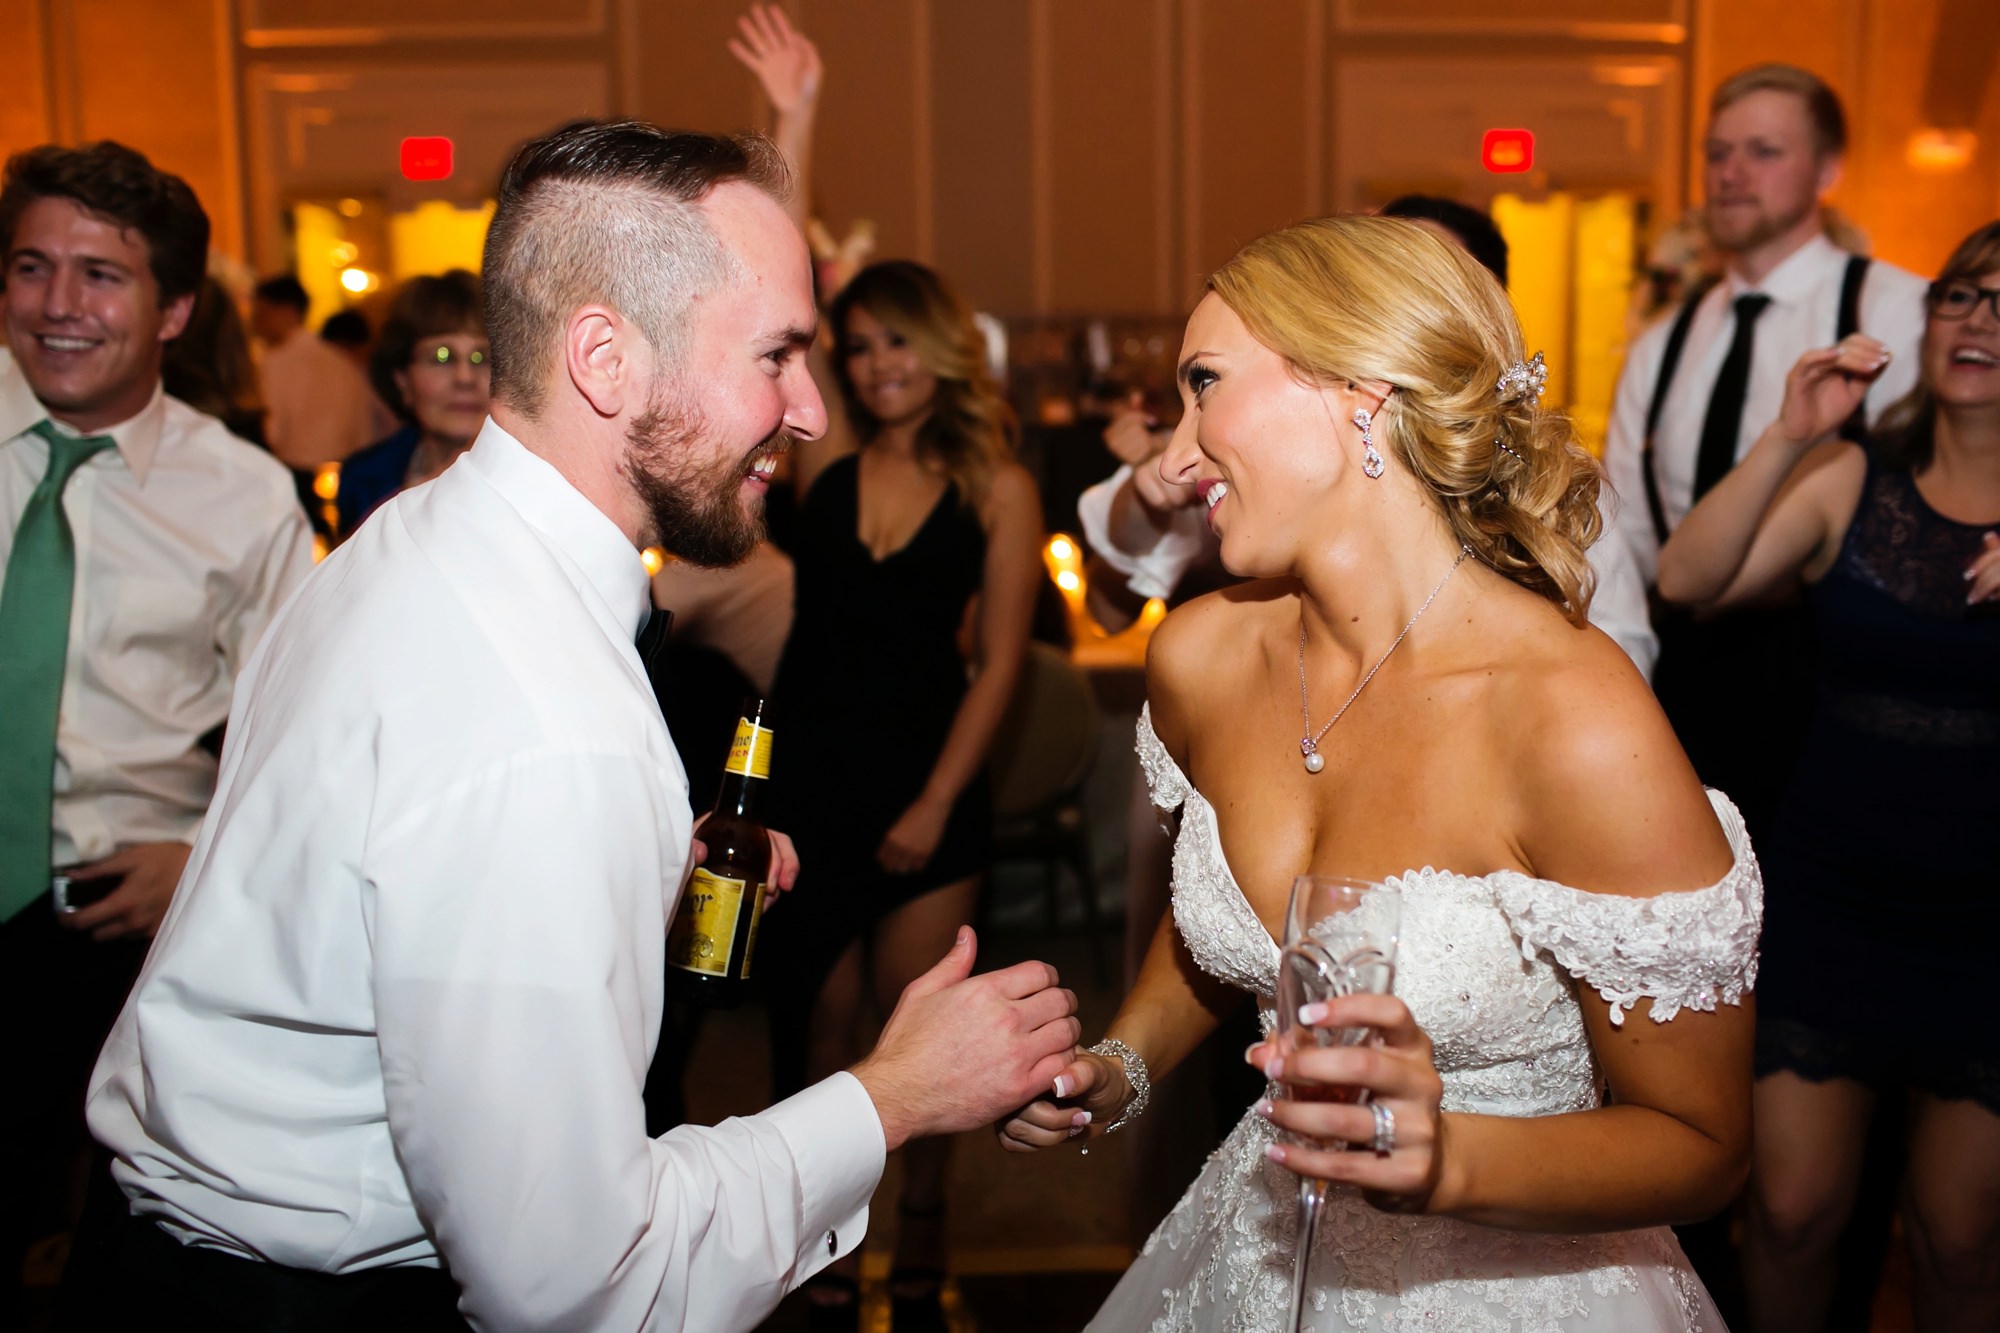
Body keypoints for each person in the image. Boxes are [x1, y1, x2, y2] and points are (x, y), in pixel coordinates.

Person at [68, 121, 1076, 1333]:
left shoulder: (412, 543)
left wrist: (634, 854)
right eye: (775, 354)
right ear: (606, 358)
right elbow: (574, 1280)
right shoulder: (548, 728)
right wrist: (892, 1094)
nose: (808, 411)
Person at [999, 215, 1760, 1330]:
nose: (1173, 456)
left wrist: (1442, 1156)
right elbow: (1226, 925)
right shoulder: (1200, 657)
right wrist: (1119, 1062)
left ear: (1363, 389)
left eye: (1204, 385)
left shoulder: (1572, 719)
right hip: (1258, 1257)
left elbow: (1703, 1146)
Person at [1657, 220, 2000, 1333]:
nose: (1975, 321)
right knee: (1795, 1212)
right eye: (1958, 296)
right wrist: (1785, 437)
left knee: (1956, 1235)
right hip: (1830, 897)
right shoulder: (1850, 477)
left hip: (1987, 917)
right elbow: (1685, 575)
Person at [0, 140, 312, 1321]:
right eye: (33, 268)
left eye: (101, 275)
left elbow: (304, 737)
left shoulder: (242, 496)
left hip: (113, 922)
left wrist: (204, 861)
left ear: (176, 307)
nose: (59, 307)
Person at [760, 259, 1043, 1331]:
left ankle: (924, 1231)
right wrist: (793, 121)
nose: (878, 364)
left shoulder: (998, 487)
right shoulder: (821, 457)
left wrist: (934, 800)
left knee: (916, 1030)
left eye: (899, 341)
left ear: (945, 349)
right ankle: (826, 1243)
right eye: (860, 343)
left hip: (930, 783)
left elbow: (1002, 666)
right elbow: (788, 292)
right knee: (822, 1030)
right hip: (812, 783)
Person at [1077, 203, 1660, 679]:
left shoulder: (1565, 690)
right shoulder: (1205, 657)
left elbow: (1622, 659)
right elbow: (1112, 594)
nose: (1178, 461)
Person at [1601, 63, 1928, 836]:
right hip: (1684, 680)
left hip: (1836, 681)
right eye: (1717, 153)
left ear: (1828, 170)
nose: (1731, 174)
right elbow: (1620, 536)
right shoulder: (1661, 344)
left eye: (1763, 151)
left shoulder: (1899, 310)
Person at [336, 269, 489, 536]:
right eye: (441, 357)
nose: (465, 378)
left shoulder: (547, 480)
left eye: (482, 357)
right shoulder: (364, 480)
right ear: (402, 380)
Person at [250, 272, 375, 467]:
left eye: (262, 313)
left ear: (288, 311)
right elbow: (365, 428)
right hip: (346, 467)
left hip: (294, 468)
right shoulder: (340, 361)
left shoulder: (277, 361)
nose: (255, 322)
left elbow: (272, 429)